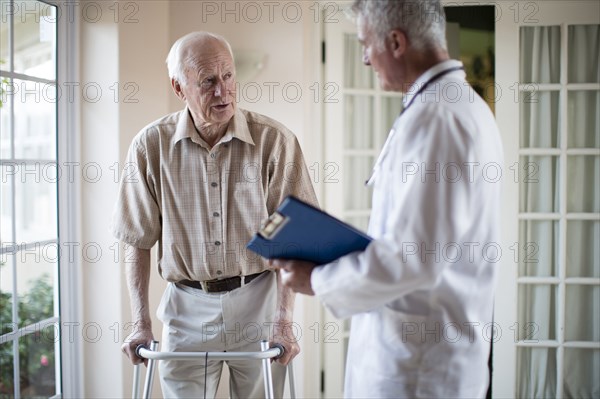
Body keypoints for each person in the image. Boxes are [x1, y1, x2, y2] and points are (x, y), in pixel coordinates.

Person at [273, 1, 503, 398]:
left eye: (366, 44)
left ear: (396, 42)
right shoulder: (460, 107)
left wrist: (317, 278)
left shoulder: (437, 118)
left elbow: (412, 259)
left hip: (418, 369)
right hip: (425, 354)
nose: (364, 58)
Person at [111, 31, 317, 398]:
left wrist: (283, 321)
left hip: (258, 300)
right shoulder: (150, 146)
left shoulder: (275, 141)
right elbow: (136, 241)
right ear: (179, 87)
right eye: (208, 81)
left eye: (228, 77)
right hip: (185, 307)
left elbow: (296, 238)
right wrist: (140, 323)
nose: (223, 92)